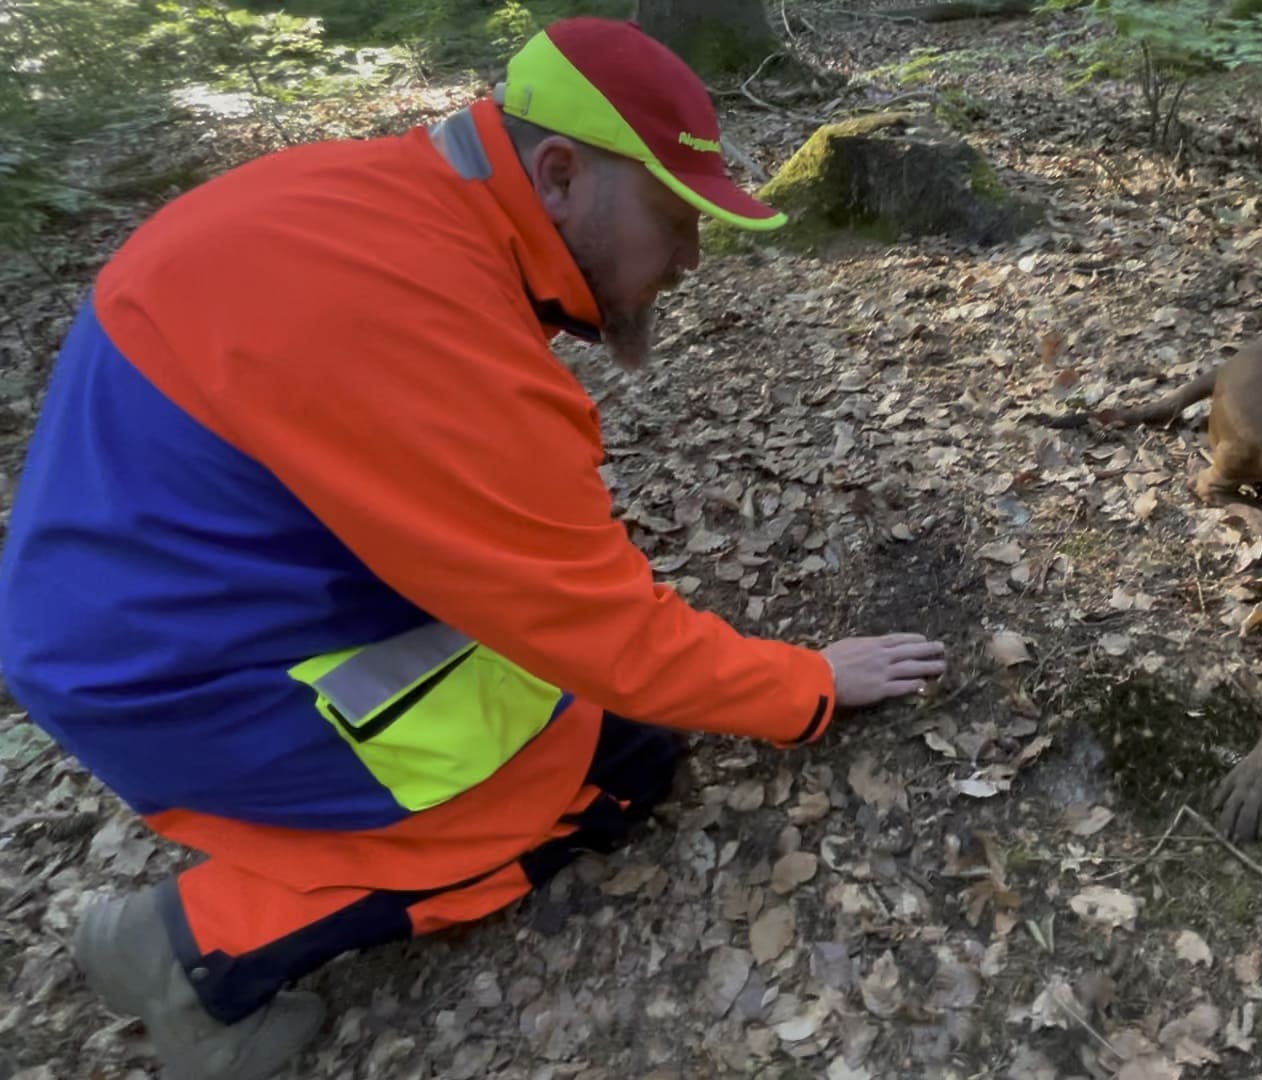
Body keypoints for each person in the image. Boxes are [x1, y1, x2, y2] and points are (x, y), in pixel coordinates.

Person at [0, 18, 946, 1080]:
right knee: (611, 771)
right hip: (191, 669)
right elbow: (608, 637)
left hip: (174, 597)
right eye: (674, 220)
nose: (688, 259)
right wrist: (806, 684)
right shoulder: (428, 323)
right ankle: (193, 949)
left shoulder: (382, 204)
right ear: (557, 174)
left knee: (589, 723)